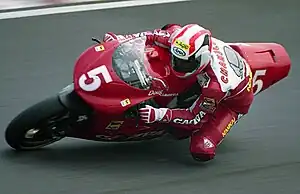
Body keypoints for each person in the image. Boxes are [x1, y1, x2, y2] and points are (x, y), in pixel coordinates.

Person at [102, 24, 254, 162]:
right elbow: (151, 36)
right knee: (169, 28)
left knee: (201, 148)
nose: (176, 65)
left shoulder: (215, 86)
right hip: (204, 70)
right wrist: (119, 41)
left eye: (184, 62)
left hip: (232, 102)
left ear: (201, 59)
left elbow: (194, 118)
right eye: (175, 59)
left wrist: (159, 114)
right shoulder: (179, 40)